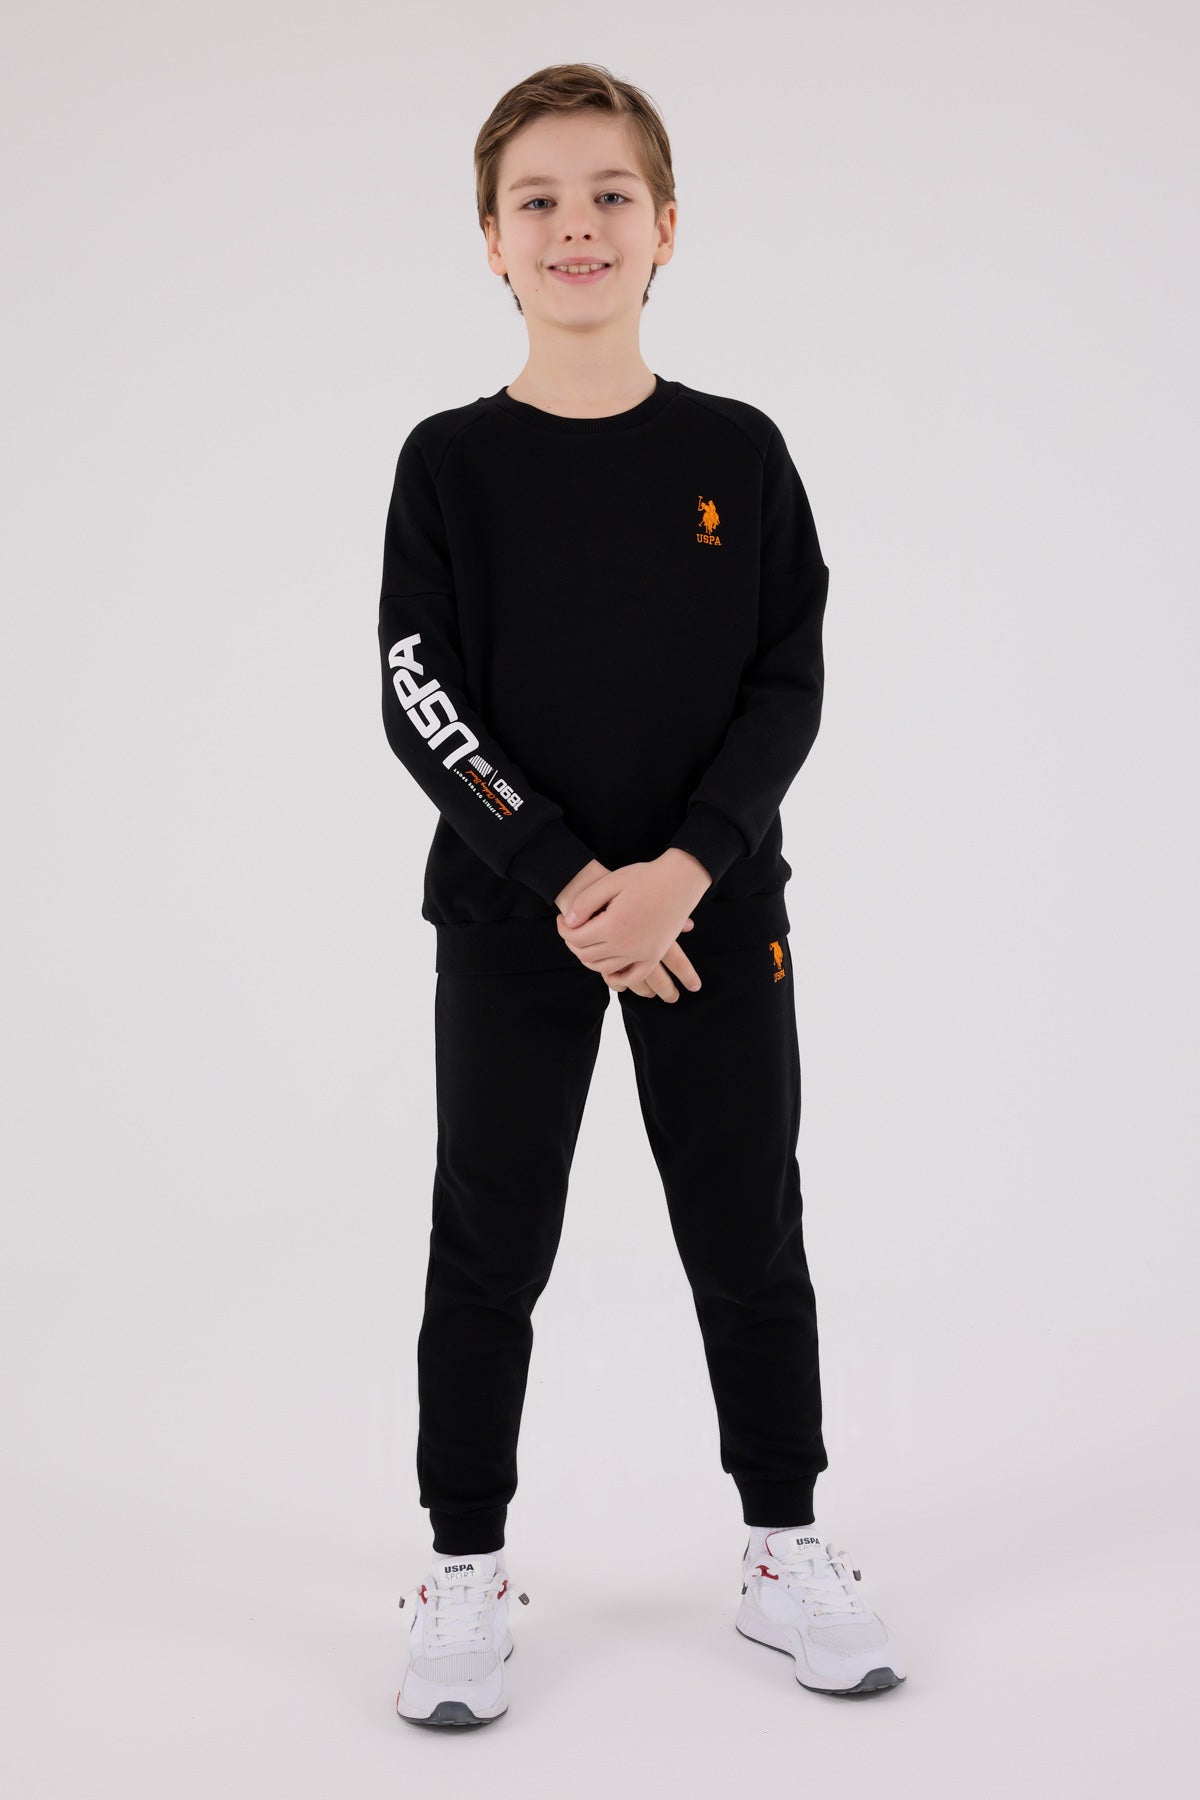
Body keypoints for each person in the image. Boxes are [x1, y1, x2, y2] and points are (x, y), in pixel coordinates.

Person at [383, 63, 906, 1728]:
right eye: (537, 200)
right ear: (491, 241)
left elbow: (788, 684)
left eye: (610, 194)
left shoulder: (738, 453)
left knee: (749, 1233)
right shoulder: (449, 465)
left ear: (666, 227)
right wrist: (564, 878)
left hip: (714, 916)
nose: (577, 226)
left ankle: (784, 1547)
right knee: (489, 1245)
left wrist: (682, 872)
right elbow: (418, 693)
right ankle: (464, 1569)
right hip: (510, 920)